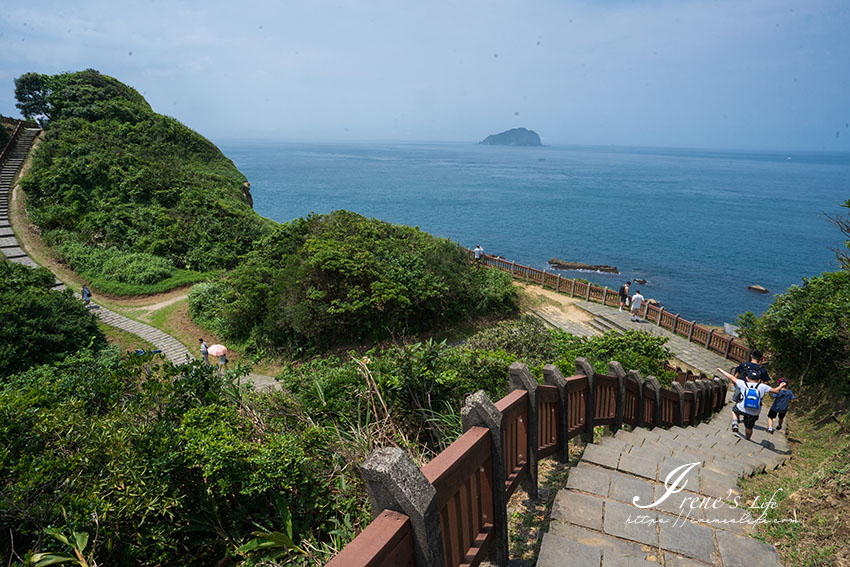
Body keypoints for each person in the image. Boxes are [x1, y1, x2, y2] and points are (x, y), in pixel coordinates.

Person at [717, 365, 786, 440]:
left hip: (742, 407)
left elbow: (731, 377)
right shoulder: (762, 386)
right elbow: (775, 390)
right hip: (754, 412)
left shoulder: (743, 383)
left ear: (747, 378)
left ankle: (735, 423)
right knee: (749, 427)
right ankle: (747, 438)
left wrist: (721, 370)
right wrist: (781, 385)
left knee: (734, 410)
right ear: (759, 380)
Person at [727, 349, 770, 425]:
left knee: (737, 404)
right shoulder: (762, 370)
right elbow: (766, 382)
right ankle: (747, 418)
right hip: (754, 391)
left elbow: (736, 375)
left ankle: (736, 420)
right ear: (761, 358)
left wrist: (733, 383)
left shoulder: (744, 365)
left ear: (751, 356)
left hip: (741, 388)